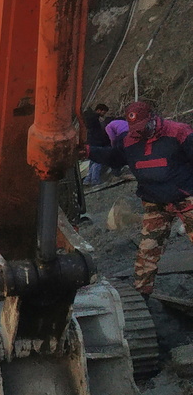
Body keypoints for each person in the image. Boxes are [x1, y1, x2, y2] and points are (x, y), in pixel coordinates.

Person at [87, 101, 193, 301]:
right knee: (147, 251)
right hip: (154, 201)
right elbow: (114, 157)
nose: (139, 133)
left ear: (153, 118)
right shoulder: (129, 140)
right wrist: (88, 151)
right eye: (135, 129)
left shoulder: (179, 133)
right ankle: (142, 294)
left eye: (142, 128)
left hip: (186, 197)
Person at [82, 103, 111, 185]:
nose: (104, 114)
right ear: (99, 110)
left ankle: (87, 180)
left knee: (92, 161)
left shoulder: (90, 118)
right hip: (96, 141)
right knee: (98, 160)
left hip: (90, 141)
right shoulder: (95, 119)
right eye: (103, 112)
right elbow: (97, 132)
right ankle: (95, 180)